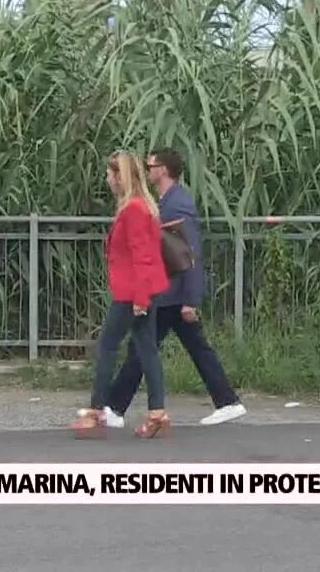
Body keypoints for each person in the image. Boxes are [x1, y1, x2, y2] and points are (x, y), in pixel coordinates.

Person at [102, 148, 247, 428]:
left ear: (163, 170)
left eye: (150, 165)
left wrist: (191, 298)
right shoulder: (165, 201)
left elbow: (188, 252)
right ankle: (227, 401)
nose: (146, 169)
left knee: (142, 349)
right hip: (171, 292)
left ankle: (115, 408)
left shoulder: (177, 204)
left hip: (173, 293)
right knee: (189, 347)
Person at [74, 151, 172, 439]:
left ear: (121, 177)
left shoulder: (133, 210)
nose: (107, 179)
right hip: (143, 289)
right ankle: (156, 411)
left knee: (107, 346)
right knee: (146, 348)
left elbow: (143, 256)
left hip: (133, 292)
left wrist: (140, 297)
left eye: (110, 174)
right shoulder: (144, 208)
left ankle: (96, 409)